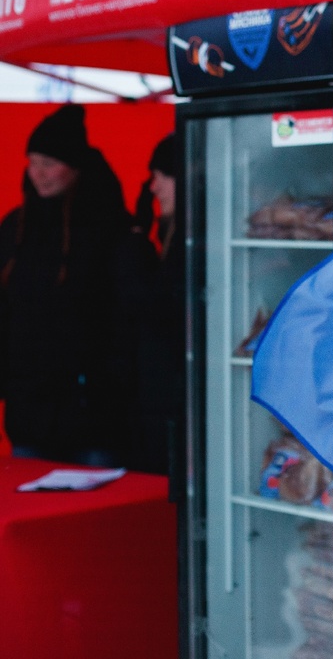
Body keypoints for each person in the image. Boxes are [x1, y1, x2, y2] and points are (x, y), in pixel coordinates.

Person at [0, 104, 154, 467]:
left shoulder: (108, 229)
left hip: (95, 415)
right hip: (28, 414)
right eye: (33, 162)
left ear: (75, 167)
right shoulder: (15, 227)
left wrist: (111, 385)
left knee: (97, 517)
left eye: (49, 163)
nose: (39, 174)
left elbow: (127, 317)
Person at [130, 133, 185, 475]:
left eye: (160, 176)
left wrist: (136, 239)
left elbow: (152, 306)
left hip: (174, 395)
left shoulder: (189, 240)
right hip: (165, 395)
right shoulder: (172, 234)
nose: (154, 187)